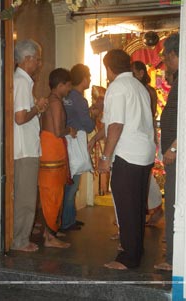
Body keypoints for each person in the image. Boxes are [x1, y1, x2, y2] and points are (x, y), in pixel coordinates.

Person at [89, 49, 155, 269]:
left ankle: (128, 257)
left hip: (127, 153)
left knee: (126, 207)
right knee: (137, 204)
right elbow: (114, 124)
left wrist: (106, 157)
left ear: (109, 68)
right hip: (143, 152)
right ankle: (136, 250)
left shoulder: (117, 87)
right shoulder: (139, 86)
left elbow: (115, 125)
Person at [12, 39, 48, 252]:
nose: (39, 63)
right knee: (25, 198)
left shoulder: (20, 80)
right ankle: (20, 240)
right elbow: (20, 117)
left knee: (22, 196)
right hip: (24, 148)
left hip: (22, 147)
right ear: (27, 59)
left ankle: (18, 237)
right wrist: (38, 107)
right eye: (38, 59)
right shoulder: (23, 81)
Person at [38, 68, 77, 248]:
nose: (69, 90)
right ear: (61, 85)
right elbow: (57, 131)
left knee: (52, 193)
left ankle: (50, 231)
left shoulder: (51, 100)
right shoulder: (55, 103)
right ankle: (50, 238)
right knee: (52, 194)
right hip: (51, 150)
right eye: (68, 86)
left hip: (50, 149)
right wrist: (70, 130)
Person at [154, 33, 179, 271]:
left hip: (177, 155)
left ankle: (174, 259)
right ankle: (173, 253)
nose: (165, 62)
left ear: (173, 54)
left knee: (173, 205)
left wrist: (173, 147)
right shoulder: (179, 79)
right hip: (175, 155)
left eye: (166, 57)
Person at [60, 64, 96, 231]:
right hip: (75, 143)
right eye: (88, 76)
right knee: (72, 184)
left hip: (64, 142)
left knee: (67, 183)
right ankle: (67, 221)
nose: (90, 80)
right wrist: (94, 116)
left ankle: (69, 217)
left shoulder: (66, 96)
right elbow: (88, 126)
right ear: (83, 79)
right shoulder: (80, 99)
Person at [131, 60, 164, 226]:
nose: (131, 76)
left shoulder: (147, 91)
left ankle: (155, 208)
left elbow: (147, 116)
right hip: (141, 135)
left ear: (141, 73)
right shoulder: (141, 90)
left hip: (145, 135)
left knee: (145, 175)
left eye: (134, 72)